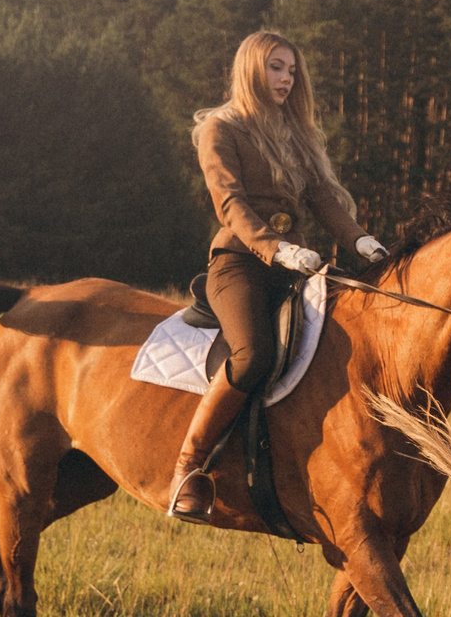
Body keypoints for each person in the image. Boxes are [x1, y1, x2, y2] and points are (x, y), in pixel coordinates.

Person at [167, 29, 389, 522]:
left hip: (297, 264)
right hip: (240, 263)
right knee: (253, 356)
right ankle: (189, 467)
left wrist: (360, 241)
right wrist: (276, 248)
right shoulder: (221, 128)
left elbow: (323, 199)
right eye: (276, 67)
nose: (287, 78)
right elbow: (230, 204)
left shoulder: (293, 131)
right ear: (251, 68)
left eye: (291, 70)